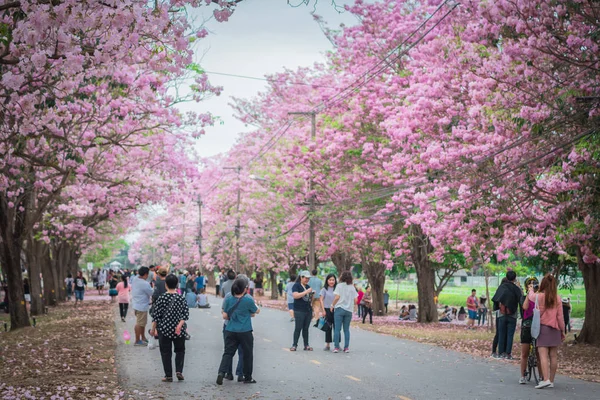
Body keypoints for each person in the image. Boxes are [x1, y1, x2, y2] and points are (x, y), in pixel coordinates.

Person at [217, 277, 260, 385]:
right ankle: (247, 377)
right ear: (245, 289)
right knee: (247, 354)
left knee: (228, 353)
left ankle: (221, 372)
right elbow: (256, 311)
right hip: (245, 331)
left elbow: (225, 315)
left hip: (230, 330)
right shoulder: (248, 299)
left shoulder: (228, 298)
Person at [528, 274, 565, 389]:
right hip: (555, 329)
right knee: (553, 356)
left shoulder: (539, 297)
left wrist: (530, 289)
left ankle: (545, 379)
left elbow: (531, 297)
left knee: (543, 355)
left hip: (543, 328)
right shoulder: (557, 298)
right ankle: (551, 381)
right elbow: (560, 317)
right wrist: (562, 330)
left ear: (543, 284)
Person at [150, 274, 189, 382]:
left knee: (166, 352)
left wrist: (153, 329)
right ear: (177, 284)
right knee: (180, 350)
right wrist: (179, 326)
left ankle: (168, 375)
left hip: (164, 329)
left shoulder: (162, 298)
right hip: (179, 330)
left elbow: (156, 316)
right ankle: (179, 371)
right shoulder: (181, 297)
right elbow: (185, 315)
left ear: (166, 285)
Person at [492, 271, 522, 359]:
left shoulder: (501, 287)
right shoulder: (517, 289)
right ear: (515, 278)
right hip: (512, 315)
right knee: (510, 335)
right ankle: (508, 353)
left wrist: (497, 308)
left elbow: (495, 298)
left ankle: (500, 353)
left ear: (506, 277)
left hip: (502, 314)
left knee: (501, 334)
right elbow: (521, 300)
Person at [220, 271, 245, 382]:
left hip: (228, 327)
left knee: (228, 351)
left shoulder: (228, 295)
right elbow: (253, 312)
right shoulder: (247, 298)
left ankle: (227, 373)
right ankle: (240, 374)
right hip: (243, 328)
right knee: (242, 351)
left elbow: (223, 313)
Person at [519, 277, 540, 384]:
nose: (532, 285)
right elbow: (525, 307)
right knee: (525, 353)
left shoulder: (540, 297)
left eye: (534, 284)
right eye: (530, 284)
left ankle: (541, 376)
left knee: (540, 353)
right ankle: (522, 375)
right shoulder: (524, 297)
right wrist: (529, 294)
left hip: (537, 325)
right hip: (526, 326)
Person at [331, 271, 357, 353]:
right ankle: (346, 348)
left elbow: (337, 297)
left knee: (337, 329)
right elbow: (356, 300)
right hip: (349, 310)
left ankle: (336, 347)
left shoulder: (339, 286)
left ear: (342, 277)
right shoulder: (352, 287)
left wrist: (332, 305)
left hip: (339, 309)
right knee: (346, 330)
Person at [290, 271, 314, 351]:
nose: (307, 280)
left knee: (306, 328)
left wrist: (312, 309)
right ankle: (294, 345)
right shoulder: (296, 286)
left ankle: (306, 345)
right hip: (299, 310)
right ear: (301, 277)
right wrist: (306, 292)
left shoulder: (308, 286)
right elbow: (295, 296)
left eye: (308, 278)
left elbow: (310, 300)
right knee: (298, 328)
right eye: (305, 278)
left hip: (308, 310)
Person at [131, 266, 153, 346]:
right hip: (141, 306)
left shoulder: (135, 278)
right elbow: (151, 293)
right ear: (146, 274)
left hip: (136, 304)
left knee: (142, 323)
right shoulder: (145, 284)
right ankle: (137, 340)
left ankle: (143, 338)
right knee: (139, 323)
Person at [319, 273, 337, 351]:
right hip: (327, 310)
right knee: (328, 327)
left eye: (333, 280)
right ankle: (328, 344)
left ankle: (337, 344)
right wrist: (323, 310)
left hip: (336, 310)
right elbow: (321, 300)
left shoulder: (337, 289)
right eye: (330, 280)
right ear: (327, 280)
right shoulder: (324, 289)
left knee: (337, 328)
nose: (331, 281)